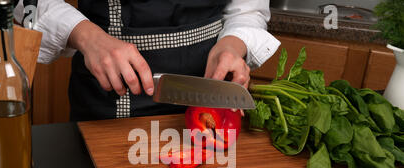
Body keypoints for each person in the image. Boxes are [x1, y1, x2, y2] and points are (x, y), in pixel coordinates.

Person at [15, 0, 280, 120]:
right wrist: (87, 37)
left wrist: (232, 45)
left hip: (211, 109)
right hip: (110, 112)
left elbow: (249, 8)